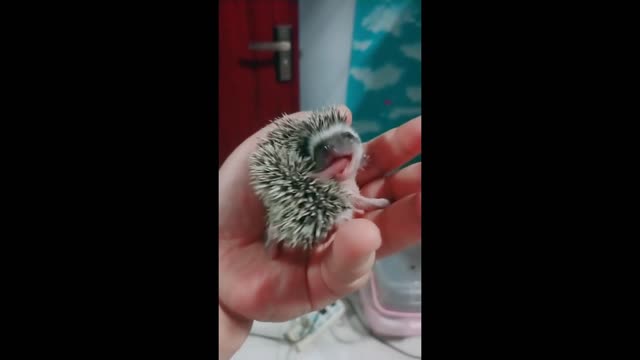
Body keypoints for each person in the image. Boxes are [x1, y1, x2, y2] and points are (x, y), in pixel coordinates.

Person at [218, 106, 422, 359]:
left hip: (315, 194)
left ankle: (279, 235)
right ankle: (279, 234)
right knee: (336, 206)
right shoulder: (319, 170)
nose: (343, 166)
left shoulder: (339, 159)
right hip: (309, 194)